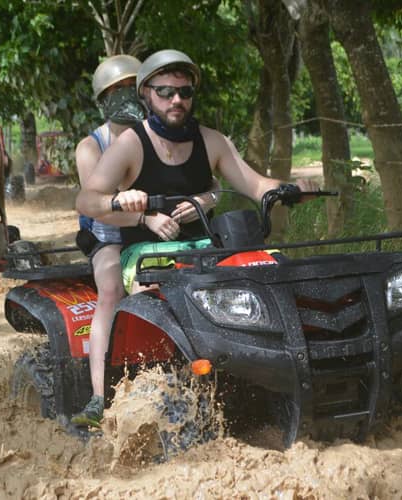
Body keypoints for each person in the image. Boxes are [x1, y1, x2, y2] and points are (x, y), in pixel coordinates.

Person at [74, 49, 316, 426]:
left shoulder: (212, 141)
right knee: (129, 293)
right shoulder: (128, 144)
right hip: (144, 250)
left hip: (205, 247)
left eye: (184, 93)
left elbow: (254, 184)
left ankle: (280, 367)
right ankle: (105, 393)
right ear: (147, 95)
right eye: (166, 92)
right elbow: (88, 199)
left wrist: (290, 189)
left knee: (268, 268)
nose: (176, 100)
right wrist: (127, 203)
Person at [69, 54, 221, 428]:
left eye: (128, 88)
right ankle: (99, 394)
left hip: (157, 227)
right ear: (102, 99)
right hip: (109, 229)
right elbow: (100, 202)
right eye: (113, 91)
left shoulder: (163, 133)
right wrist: (144, 215)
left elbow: (206, 184)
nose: (122, 97)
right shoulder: (92, 146)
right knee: (109, 289)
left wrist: (203, 200)